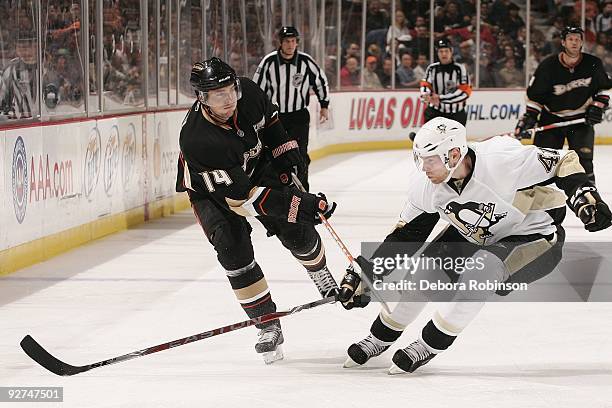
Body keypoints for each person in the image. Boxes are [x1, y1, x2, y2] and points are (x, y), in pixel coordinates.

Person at [338, 117, 611, 374]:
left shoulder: (502, 159)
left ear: (454, 155)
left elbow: (563, 161)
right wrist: (367, 273)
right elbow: (406, 237)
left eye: (431, 160)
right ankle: (380, 336)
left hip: (534, 237)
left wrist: (584, 196)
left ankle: (430, 344)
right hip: (479, 234)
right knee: (425, 272)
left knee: (482, 270)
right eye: (420, 159)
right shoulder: (425, 185)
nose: (424, 168)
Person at [176, 58, 338, 364]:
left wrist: (289, 157)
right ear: (202, 98)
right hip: (213, 191)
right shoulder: (198, 139)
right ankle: (266, 323)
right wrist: (301, 206)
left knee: (297, 233)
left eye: (229, 90)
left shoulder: (248, 93)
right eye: (217, 94)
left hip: (256, 165)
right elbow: (245, 199)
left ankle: (320, 273)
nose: (227, 99)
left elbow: (272, 124)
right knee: (232, 249)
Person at [515, 26, 612, 185]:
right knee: (541, 165)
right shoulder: (548, 66)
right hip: (551, 119)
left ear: (582, 42)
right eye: (570, 39)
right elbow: (535, 96)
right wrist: (530, 116)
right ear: (563, 42)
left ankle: (588, 199)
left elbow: (603, 87)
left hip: (581, 120)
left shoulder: (593, 64)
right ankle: (541, 201)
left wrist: (597, 105)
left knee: (584, 164)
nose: (574, 43)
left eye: (577, 39)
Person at [253, 26, 330, 191]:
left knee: (300, 155)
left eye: (293, 41)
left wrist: (324, 105)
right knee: (273, 154)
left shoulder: (305, 61)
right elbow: (257, 89)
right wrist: (258, 113)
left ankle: (303, 192)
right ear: (280, 42)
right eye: (287, 41)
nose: (290, 44)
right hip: (276, 117)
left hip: (299, 117)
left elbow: (321, 81)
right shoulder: (268, 62)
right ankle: (275, 191)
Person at [419, 39, 472, 125]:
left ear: (451, 52)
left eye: (446, 51)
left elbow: (465, 93)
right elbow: (425, 84)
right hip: (435, 112)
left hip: (456, 114)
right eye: (441, 51)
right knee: (430, 137)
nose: (444, 54)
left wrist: (440, 98)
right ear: (437, 53)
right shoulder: (432, 68)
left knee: (454, 138)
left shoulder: (460, 69)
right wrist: (425, 95)